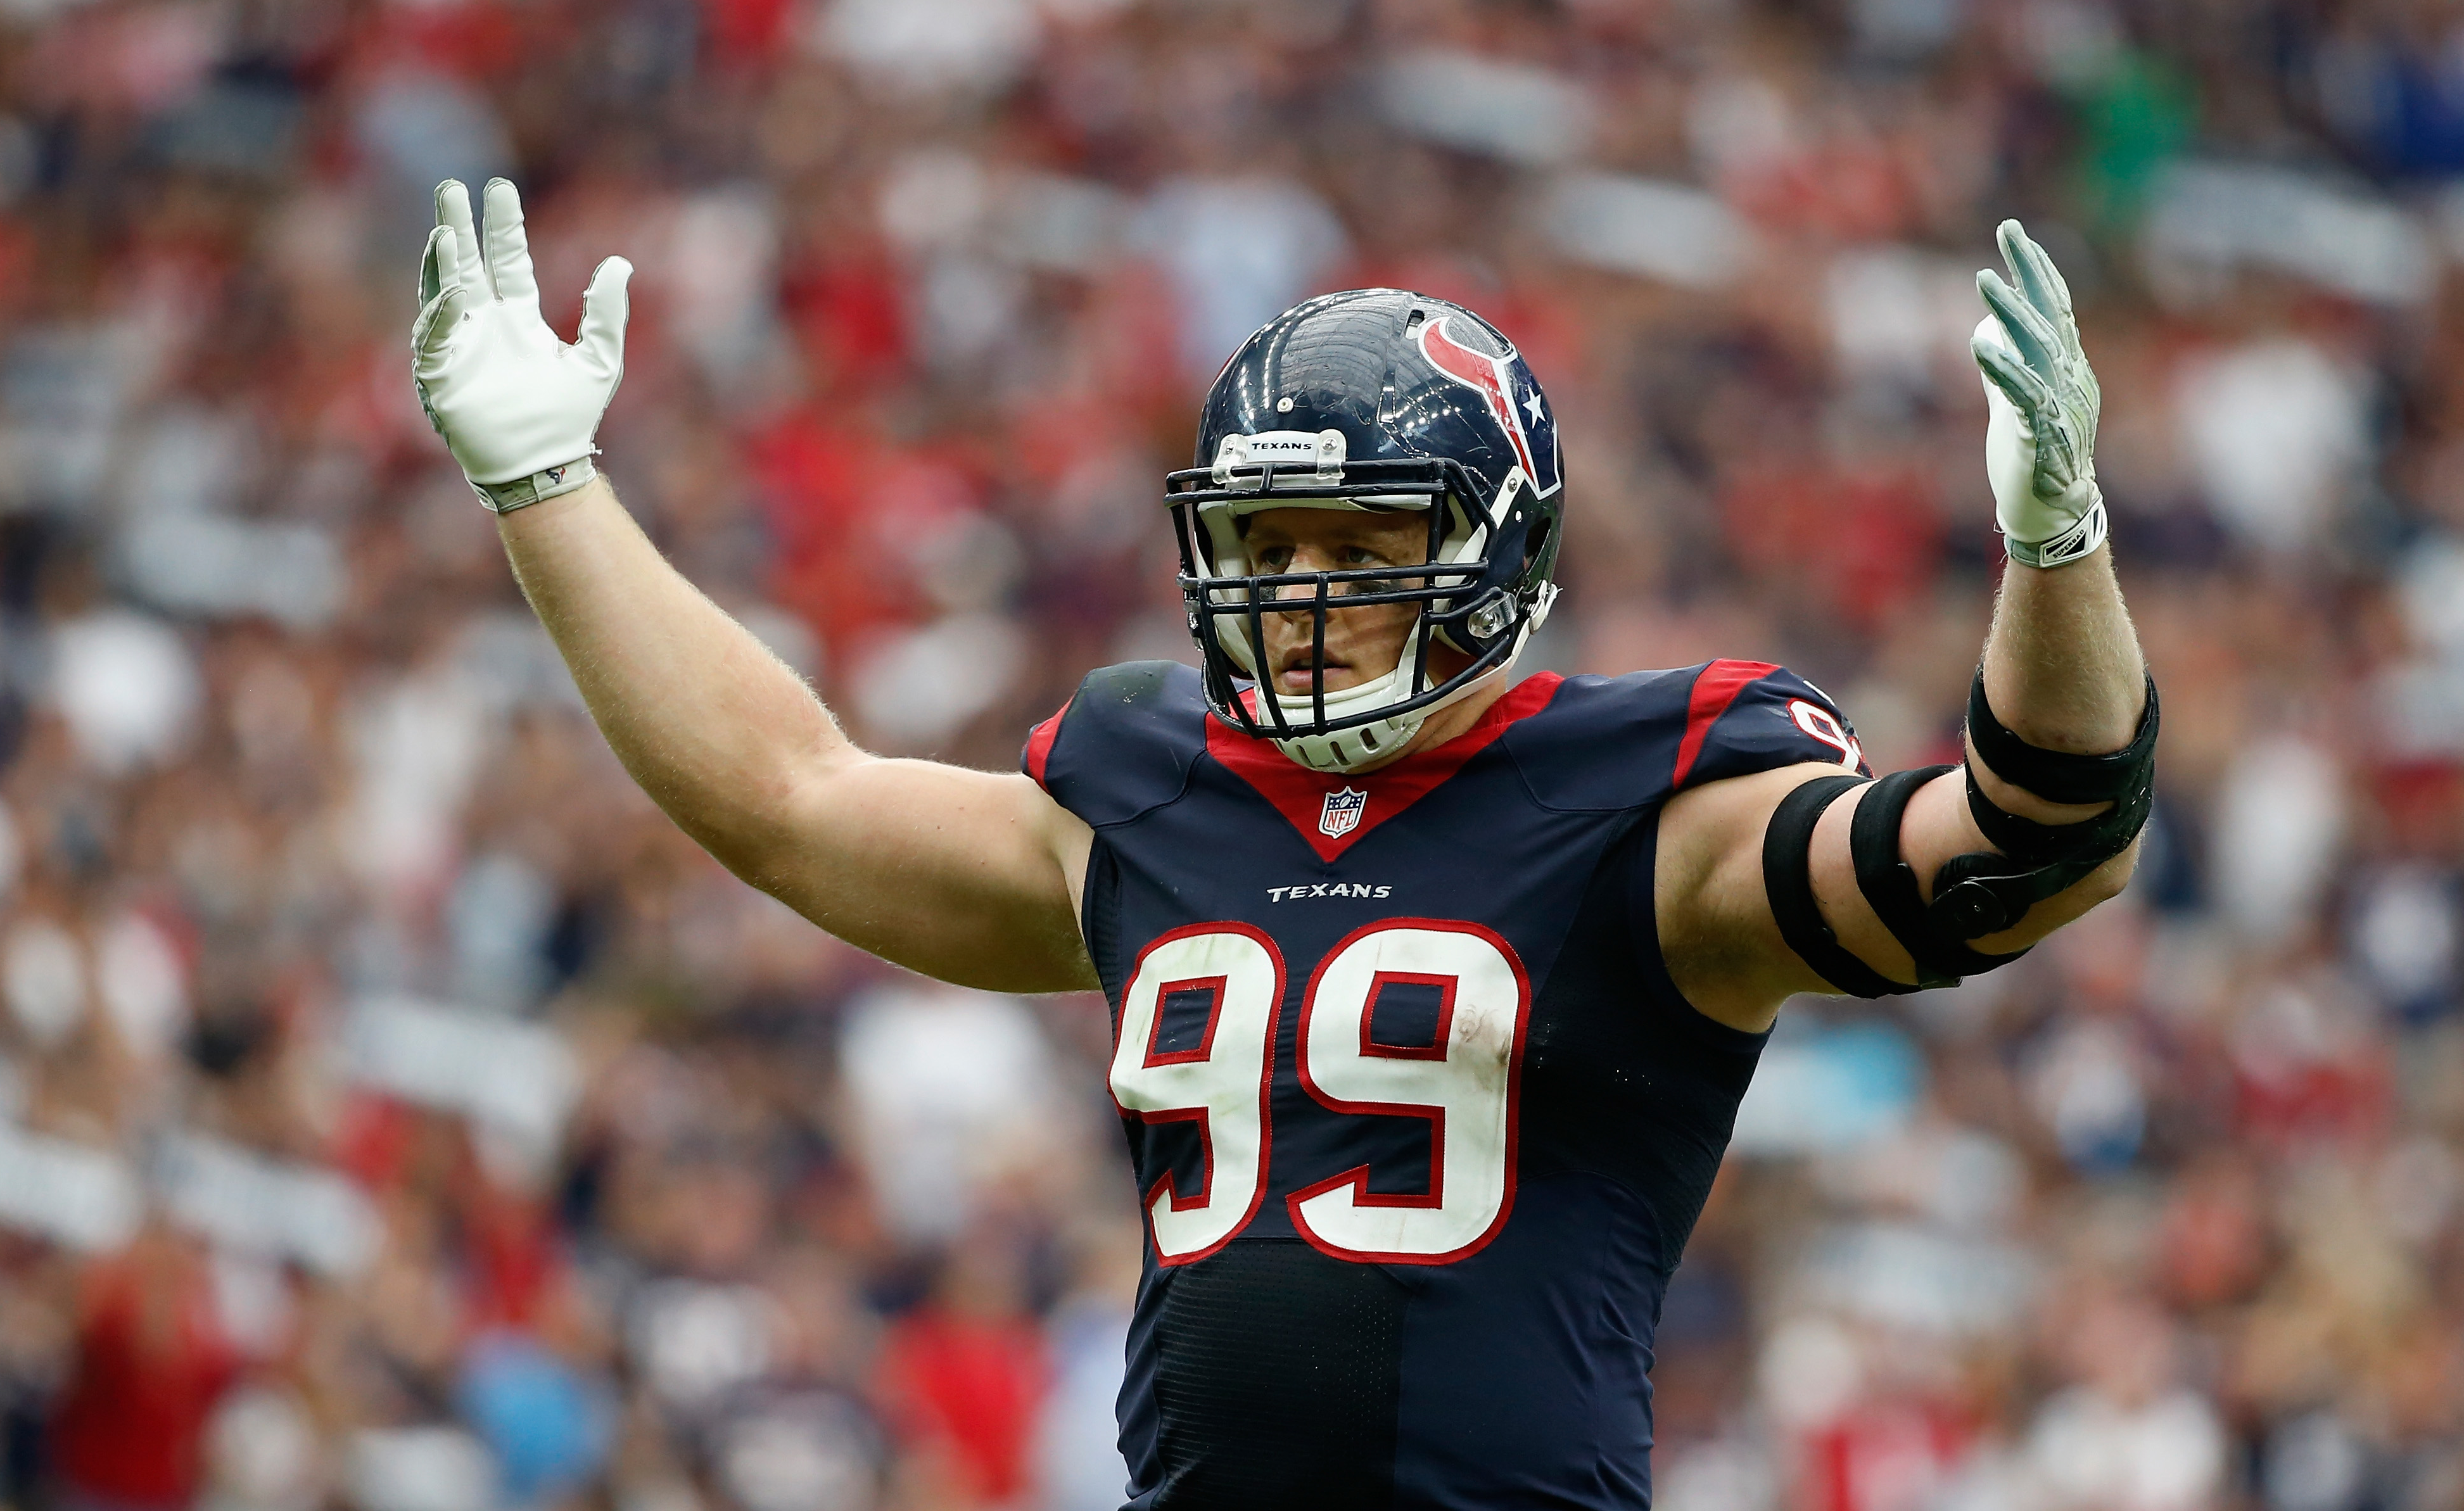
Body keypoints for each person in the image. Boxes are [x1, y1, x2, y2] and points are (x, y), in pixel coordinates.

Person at [407, 179, 2155, 1510]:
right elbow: (791, 799)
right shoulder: (1154, 799)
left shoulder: (1646, 810)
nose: (1302, 593)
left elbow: (2037, 844)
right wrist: (549, 491)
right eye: (1266, 544)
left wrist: (2056, 546)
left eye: (1358, 542)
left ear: (1499, 554)